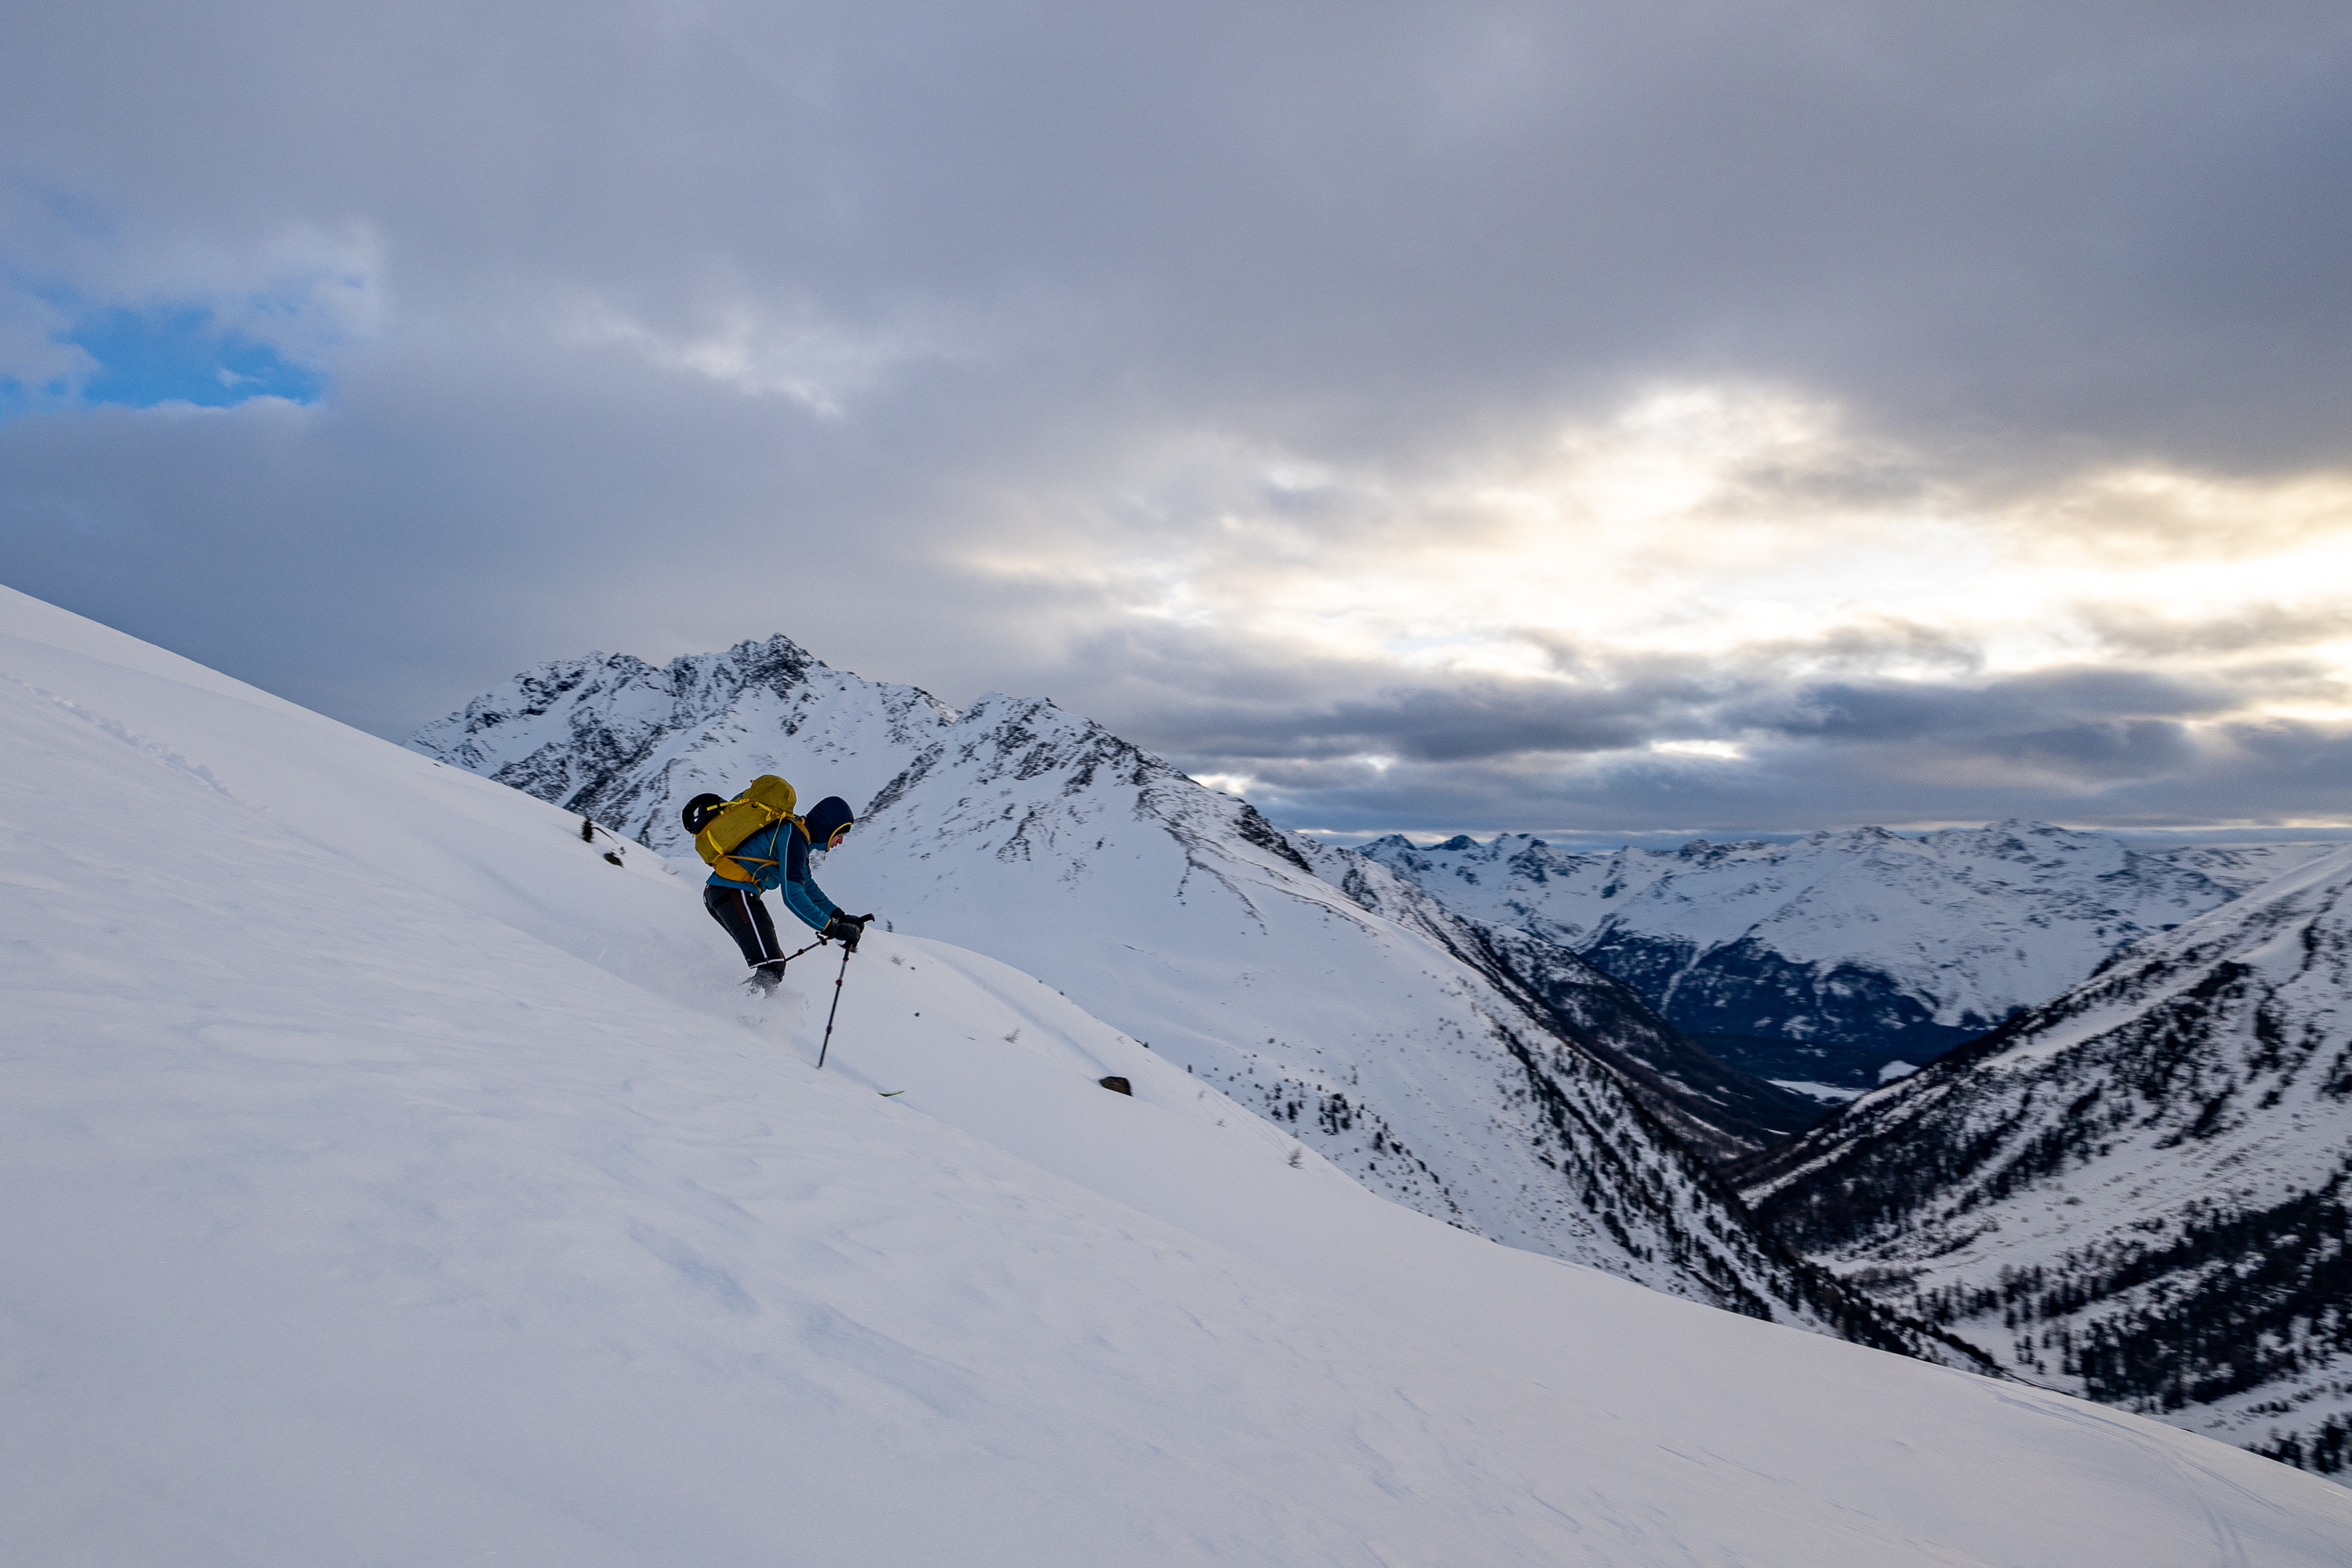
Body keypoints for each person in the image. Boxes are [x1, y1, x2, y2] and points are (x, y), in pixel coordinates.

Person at [702, 793, 874, 994]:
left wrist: (839, 916)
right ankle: (733, 1014)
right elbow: (793, 896)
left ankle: (730, 1008)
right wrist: (832, 929)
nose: (840, 842)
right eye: (841, 835)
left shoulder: (800, 837)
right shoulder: (794, 836)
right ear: (830, 828)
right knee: (772, 966)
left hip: (728, 894)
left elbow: (807, 886)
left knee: (772, 964)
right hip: (731, 893)